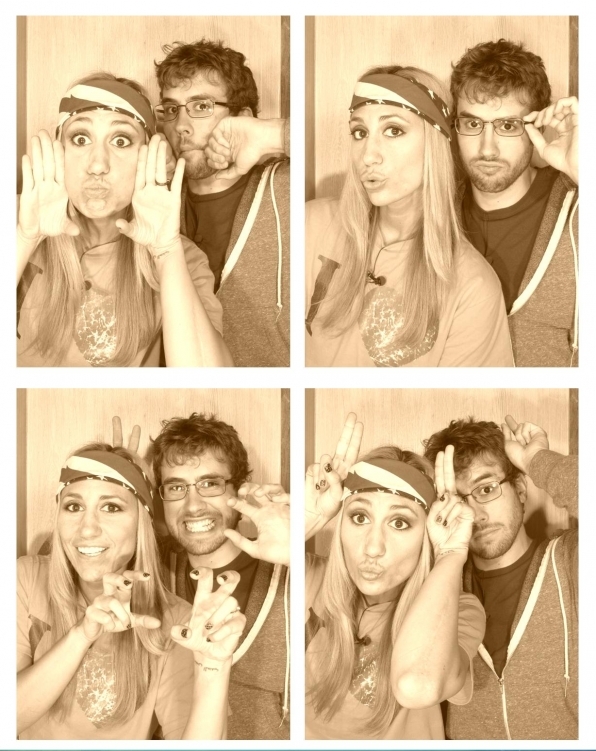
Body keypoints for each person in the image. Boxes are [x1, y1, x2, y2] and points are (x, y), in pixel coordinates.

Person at [17, 444, 246, 739]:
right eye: (73, 506)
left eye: (111, 507)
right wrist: (82, 635)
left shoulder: (177, 622)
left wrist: (212, 668)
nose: (87, 529)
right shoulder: (26, 578)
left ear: (142, 523)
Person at [17, 73, 232, 367]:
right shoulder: (18, 220)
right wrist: (25, 239)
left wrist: (166, 252)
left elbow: (207, 382)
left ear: (148, 156)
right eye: (80, 139)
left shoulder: (183, 258)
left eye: (121, 140)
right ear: (60, 151)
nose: (97, 165)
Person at [305, 66, 513, 367]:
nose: (368, 156)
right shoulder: (309, 226)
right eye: (360, 133)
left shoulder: (472, 286)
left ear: (436, 141)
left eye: (393, 130)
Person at [305, 413, 485, 739]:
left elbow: (418, 685)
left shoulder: (460, 611)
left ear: (426, 535)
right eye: (360, 517)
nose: (373, 548)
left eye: (399, 523)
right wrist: (309, 519)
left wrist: (451, 553)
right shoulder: (310, 581)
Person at [423, 415, 577, 739]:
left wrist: (536, 460)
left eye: (486, 489)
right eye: (457, 500)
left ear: (520, 489)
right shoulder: (438, 588)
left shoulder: (571, 561)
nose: (475, 515)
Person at [141, 413, 290, 740]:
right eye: (176, 487)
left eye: (210, 484)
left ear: (240, 490)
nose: (193, 505)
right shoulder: (152, 570)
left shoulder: (294, 574)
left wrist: (296, 552)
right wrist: (126, 491)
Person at [154, 40, 290, 367]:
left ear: (243, 118)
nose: (181, 126)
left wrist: (272, 134)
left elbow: (345, 140)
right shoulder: (153, 203)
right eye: (171, 109)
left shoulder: (285, 185)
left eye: (201, 106)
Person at [450, 39, 579, 366]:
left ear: (537, 128)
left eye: (507, 126)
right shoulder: (434, 212)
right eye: (473, 124)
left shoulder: (578, 208)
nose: (487, 149)